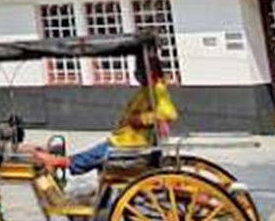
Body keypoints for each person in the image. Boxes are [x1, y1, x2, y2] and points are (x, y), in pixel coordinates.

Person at [35, 71, 178, 176]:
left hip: (130, 143)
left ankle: (60, 162)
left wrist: (141, 119)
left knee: (95, 155)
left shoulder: (157, 89)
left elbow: (169, 114)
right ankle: (62, 162)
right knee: (96, 152)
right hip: (125, 138)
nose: (136, 74)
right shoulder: (148, 89)